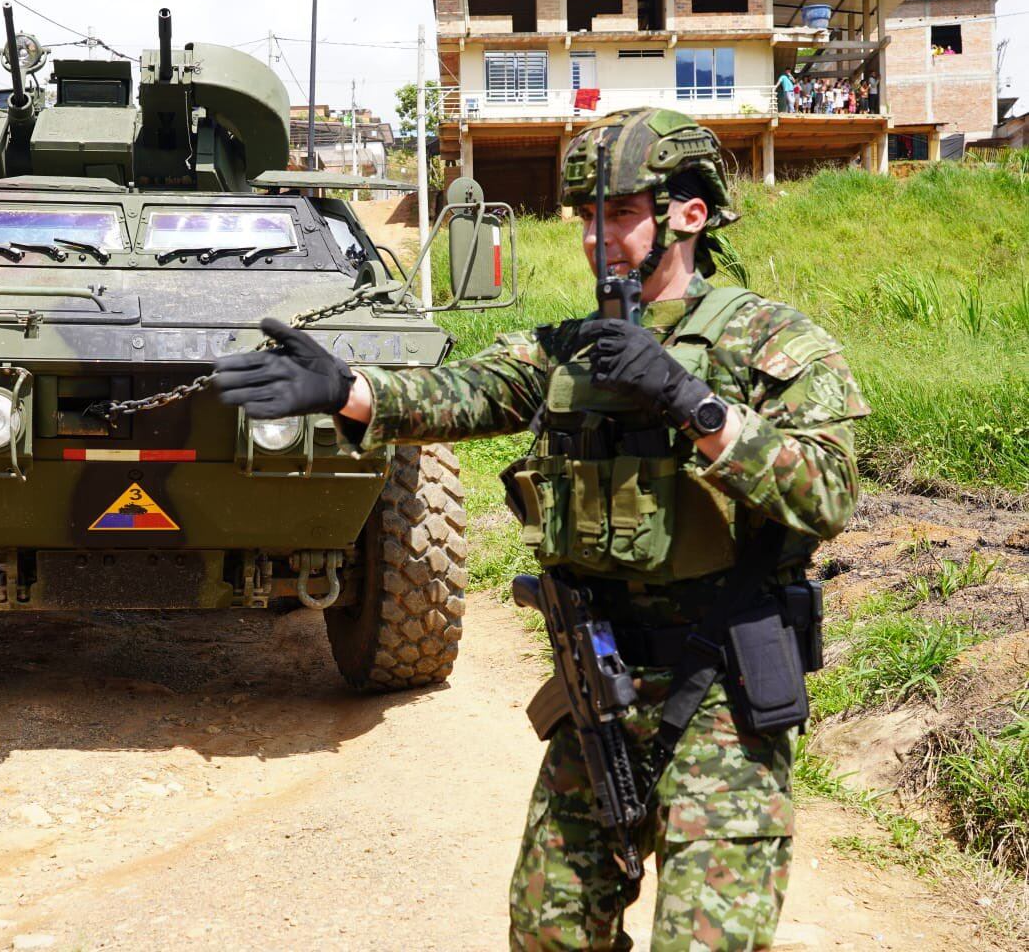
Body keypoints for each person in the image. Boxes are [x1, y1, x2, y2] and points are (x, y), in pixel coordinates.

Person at [211, 107, 870, 951]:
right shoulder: (569, 351)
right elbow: (466, 394)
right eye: (586, 217)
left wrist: (692, 403)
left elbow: (827, 494)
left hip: (726, 691)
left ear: (690, 215)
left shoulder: (774, 340)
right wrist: (347, 390)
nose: (599, 238)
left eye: (622, 213)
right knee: (549, 929)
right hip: (601, 684)